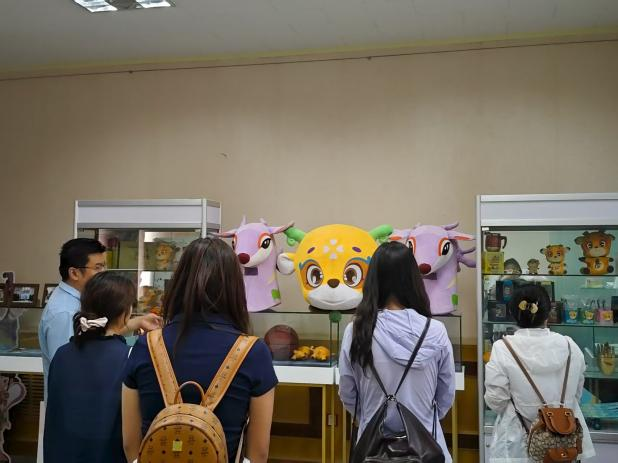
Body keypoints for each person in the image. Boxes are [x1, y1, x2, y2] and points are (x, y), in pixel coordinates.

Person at [122, 237, 278, 463]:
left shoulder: (146, 345)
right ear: (234, 286)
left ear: (179, 282)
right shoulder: (253, 352)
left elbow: (130, 444)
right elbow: (259, 452)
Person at [338, 241, 456, 462]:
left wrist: (369, 417)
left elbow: (348, 392)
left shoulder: (356, 330)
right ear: (413, 279)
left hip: (372, 451)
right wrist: (423, 418)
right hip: (426, 448)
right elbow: (446, 394)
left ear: (372, 280)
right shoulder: (435, 331)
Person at [484, 284, 595, 461]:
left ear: (512, 313)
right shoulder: (570, 346)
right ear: (548, 313)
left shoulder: (503, 348)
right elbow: (576, 394)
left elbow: (496, 400)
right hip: (564, 442)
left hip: (518, 443)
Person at [38, 238, 161, 397]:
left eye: (104, 266)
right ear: (74, 273)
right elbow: (69, 371)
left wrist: (135, 323)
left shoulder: (79, 301)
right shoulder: (64, 312)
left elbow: (96, 335)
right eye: (98, 267)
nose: (103, 273)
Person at [44, 272, 137, 463]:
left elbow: (54, 417)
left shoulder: (62, 354)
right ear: (125, 312)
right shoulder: (129, 358)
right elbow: (130, 439)